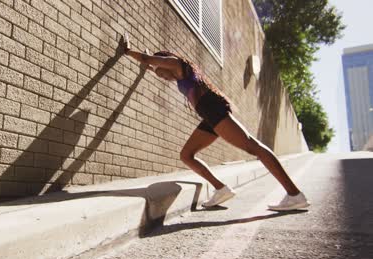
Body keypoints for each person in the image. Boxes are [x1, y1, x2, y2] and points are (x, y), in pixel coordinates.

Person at [123, 41, 310, 211]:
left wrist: (128, 51)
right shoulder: (178, 75)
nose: (162, 77)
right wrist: (149, 66)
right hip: (208, 115)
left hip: (212, 108)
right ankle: (221, 189)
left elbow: (149, 59)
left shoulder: (177, 64)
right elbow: (150, 63)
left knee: (252, 146)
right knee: (186, 155)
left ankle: (294, 194)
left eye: (161, 73)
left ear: (164, 62)